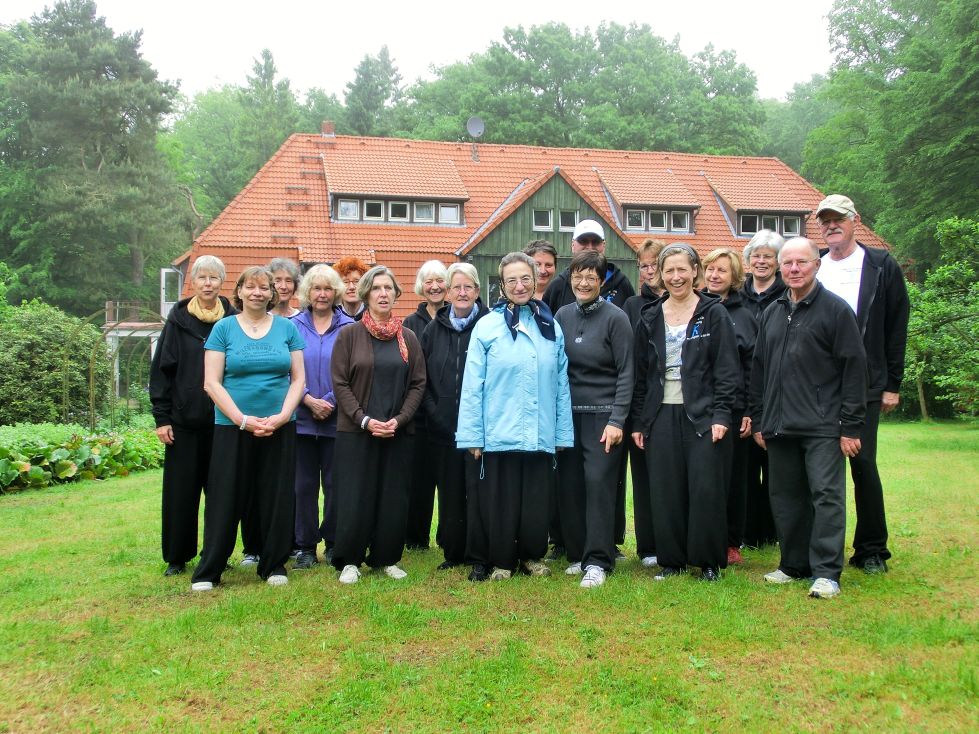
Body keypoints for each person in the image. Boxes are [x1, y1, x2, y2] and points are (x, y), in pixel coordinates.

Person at [749, 237, 867, 599]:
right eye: (788, 264)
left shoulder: (835, 310)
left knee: (825, 496)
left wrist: (851, 426)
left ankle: (827, 572)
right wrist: (758, 418)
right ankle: (793, 564)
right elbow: (759, 370)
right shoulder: (772, 311)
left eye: (802, 262)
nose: (794, 269)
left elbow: (854, 369)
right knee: (785, 498)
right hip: (779, 425)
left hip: (823, 426)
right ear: (781, 268)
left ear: (817, 265)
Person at [457, 252, 573, 581]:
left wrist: (562, 433)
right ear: (502, 285)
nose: (519, 285)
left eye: (525, 278)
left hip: (539, 432)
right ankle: (502, 561)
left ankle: (531, 556)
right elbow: (472, 386)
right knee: (501, 502)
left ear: (535, 280)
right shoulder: (488, 326)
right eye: (512, 280)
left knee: (536, 502)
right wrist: (472, 436)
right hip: (499, 431)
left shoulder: (550, 325)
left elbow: (561, 383)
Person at [190, 267, 306, 591]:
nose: (257, 293)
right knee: (225, 496)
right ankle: (210, 569)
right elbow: (211, 383)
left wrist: (282, 416)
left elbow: (299, 379)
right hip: (232, 427)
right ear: (239, 292)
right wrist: (242, 419)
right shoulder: (223, 329)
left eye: (264, 288)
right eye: (250, 287)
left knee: (276, 495)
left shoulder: (287, 329)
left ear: (273, 294)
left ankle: (273, 565)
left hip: (279, 426)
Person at [630, 244, 739, 582]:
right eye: (669, 271)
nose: (675, 277)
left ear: (695, 271)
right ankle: (672, 561)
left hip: (703, 415)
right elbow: (641, 374)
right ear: (660, 275)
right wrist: (639, 420)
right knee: (666, 489)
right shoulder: (649, 316)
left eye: (682, 270)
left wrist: (721, 415)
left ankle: (708, 562)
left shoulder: (714, 313)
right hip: (660, 414)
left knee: (705, 488)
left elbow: (727, 369)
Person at [814, 195, 910, 574]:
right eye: (825, 221)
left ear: (855, 221)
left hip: (867, 382)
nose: (831, 226)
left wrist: (892, 382)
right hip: (819, 386)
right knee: (817, 468)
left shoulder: (880, 265)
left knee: (863, 464)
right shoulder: (814, 264)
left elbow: (896, 324)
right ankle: (818, 545)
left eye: (838, 219)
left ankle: (871, 549)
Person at [543, 219, 635, 560]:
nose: (584, 281)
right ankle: (578, 553)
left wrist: (617, 420)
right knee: (570, 488)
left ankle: (599, 558)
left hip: (602, 418)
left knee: (598, 486)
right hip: (568, 417)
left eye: (591, 277)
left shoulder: (616, 318)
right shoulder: (562, 316)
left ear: (600, 281)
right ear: (571, 278)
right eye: (578, 276)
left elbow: (627, 371)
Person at [330, 266, 427, 584]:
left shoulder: (407, 338)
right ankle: (350, 560)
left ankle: (387, 557)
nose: (383, 293)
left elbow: (418, 384)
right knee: (355, 495)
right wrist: (364, 419)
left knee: (393, 495)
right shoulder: (349, 335)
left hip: (397, 432)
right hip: (357, 431)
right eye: (376, 288)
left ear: (396, 294)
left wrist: (399, 420)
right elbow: (340, 383)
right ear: (366, 294)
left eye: (388, 288)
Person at [150, 255, 236, 576]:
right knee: (180, 494)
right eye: (202, 278)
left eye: (214, 278)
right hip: (183, 424)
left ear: (222, 282)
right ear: (194, 282)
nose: (208, 284)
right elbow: (162, 371)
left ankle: (216, 554)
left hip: (223, 423)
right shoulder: (177, 320)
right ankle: (177, 556)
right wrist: (162, 418)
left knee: (221, 493)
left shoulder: (234, 319)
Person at [419, 263, 488, 574]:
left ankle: (478, 555)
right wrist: (435, 414)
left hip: (480, 428)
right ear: (447, 292)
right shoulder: (433, 329)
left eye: (468, 287)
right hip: (442, 429)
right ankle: (454, 552)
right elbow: (423, 380)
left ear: (476, 291)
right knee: (449, 493)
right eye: (456, 287)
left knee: (477, 492)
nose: (462, 293)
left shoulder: (490, 325)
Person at [290, 264, 355, 570]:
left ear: (336, 292)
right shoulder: (292, 326)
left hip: (337, 419)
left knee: (335, 484)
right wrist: (306, 400)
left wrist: (328, 401)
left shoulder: (349, 327)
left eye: (328, 288)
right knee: (302, 486)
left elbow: (352, 373)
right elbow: (286, 370)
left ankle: (332, 542)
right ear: (307, 292)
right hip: (300, 420)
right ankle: (304, 547)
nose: (322, 294)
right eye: (316, 288)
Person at [702, 248, 758, 566]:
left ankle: (730, 541)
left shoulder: (746, 315)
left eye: (722, 270)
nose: (714, 275)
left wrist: (750, 409)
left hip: (735, 408)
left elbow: (753, 367)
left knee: (733, 479)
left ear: (734, 277)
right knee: (702, 476)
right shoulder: (695, 307)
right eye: (710, 269)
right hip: (698, 407)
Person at [740, 229, 786, 549]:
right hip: (744, 389)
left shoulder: (787, 295)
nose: (761, 261)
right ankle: (750, 530)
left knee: (776, 465)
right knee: (745, 467)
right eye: (756, 255)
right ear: (747, 261)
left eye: (767, 256)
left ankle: (776, 529)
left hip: (778, 388)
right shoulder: (737, 296)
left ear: (778, 263)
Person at [622, 238, 666, 568]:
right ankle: (648, 545)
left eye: (655, 265)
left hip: (676, 403)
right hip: (641, 401)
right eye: (644, 266)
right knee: (645, 475)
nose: (649, 272)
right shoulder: (632, 306)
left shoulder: (693, 303)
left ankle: (675, 540)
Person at [403, 260, 448, 551]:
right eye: (428, 281)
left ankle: (448, 537)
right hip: (418, 415)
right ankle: (415, 538)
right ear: (421, 285)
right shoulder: (410, 323)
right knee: (418, 481)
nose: (434, 286)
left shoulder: (456, 317)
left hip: (447, 414)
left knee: (448, 480)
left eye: (440, 281)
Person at [542, 219, 635, 312]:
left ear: (604, 245)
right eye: (583, 241)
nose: (590, 247)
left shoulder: (622, 284)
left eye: (595, 242)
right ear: (572, 245)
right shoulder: (558, 286)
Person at [333, 255, 370, 320]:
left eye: (356, 281)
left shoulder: (373, 315)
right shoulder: (331, 317)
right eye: (346, 282)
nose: (351, 287)